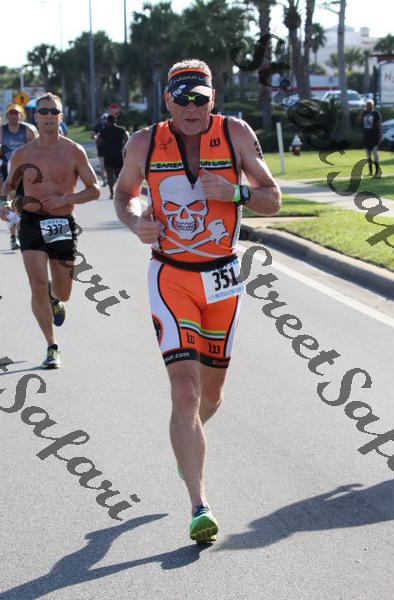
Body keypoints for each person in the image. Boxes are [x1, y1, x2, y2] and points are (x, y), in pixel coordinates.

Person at [114, 59, 281, 542]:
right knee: (184, 390)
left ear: (213, 100)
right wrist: (135, 221)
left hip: (223, 278)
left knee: (210, 396)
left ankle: (186, 447)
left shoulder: (236, 134)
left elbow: (273, 198)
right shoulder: (144, 143)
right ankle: (198, 504)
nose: (191, 108)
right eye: (182, 98)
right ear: (168, 100)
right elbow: (124, 194)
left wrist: (234, 192)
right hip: (171, 277)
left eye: (200, 99)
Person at [0, 93, 100, 368]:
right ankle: (51, 345)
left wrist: (66, 199)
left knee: (63, 291)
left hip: (61, 223)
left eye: (53, 111)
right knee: (37, 285)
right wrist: (4, 206)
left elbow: (94, 190)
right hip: (31, 223)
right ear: (35, 117)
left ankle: (56, 300)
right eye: (43, 111)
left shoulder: (73, 151)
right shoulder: (22, 154)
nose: (48, 116)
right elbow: (8, 188)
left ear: (60, 116)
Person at [0, 103, 38, 249]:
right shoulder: (2, 130)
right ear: (7, 115)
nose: (14, 116)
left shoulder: (28, 129)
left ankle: (24, 233)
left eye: (16, 113)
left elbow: (38, 149)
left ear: (21, 115)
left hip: (25, 171)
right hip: (6, 171)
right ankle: (13, 237)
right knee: (9, 205)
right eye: (11, 113)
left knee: (22, 204)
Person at [98, 114, 129, 199]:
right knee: (119, 174)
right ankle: (119, 190)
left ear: (108, 121)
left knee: (109, 174)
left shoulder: (104, 130)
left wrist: (104, 144)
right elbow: (127, 139)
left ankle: (112, 192)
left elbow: (98, 141)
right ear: (115, 121)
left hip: (108, 155)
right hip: (118, 154)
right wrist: (123, 146)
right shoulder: (121, 129)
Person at [362, 99, 382, 178]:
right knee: (368, 155)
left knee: (375, 154)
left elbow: (379, 124)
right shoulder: (364, 113)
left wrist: (380, 134)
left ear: (372, 105)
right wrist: (362, 111)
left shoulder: (376, 113)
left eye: (369, 105)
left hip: (374, 136)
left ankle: (377, 172)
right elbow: (358, 120)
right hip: (366, 137)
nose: (368, 106)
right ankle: (370, 172)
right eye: (367, 105)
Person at [91, 113, 108, 187]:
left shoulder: (110, 126)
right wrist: (96, 137)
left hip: (109, 149)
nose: (104, 121)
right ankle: (104, 179)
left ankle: (108, 178)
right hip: (101, 148)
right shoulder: (98, 126)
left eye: (105, 119)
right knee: (102, 165)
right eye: (103, 119)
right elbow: (92, 135)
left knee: (107, 165)